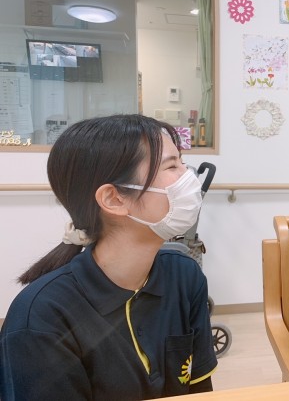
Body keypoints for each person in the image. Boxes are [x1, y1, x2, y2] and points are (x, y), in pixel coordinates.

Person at [0, 114, 217, 400]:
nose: (188, 177)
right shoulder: (41, 318)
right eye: (172, 166)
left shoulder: (184, 276)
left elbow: (199, 392)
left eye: (183, 163)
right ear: (114, 199)